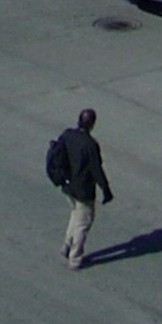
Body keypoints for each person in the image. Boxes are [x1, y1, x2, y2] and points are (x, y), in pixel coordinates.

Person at [50, 107, 113, 270]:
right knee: (83, 222)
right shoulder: (90, 144)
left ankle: (66, 245)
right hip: (83, 189)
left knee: (75, 214)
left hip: (67, 185)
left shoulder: (67, 135)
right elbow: (96, 169)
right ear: (92, 124)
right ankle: (75, 258)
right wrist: (106, 190)